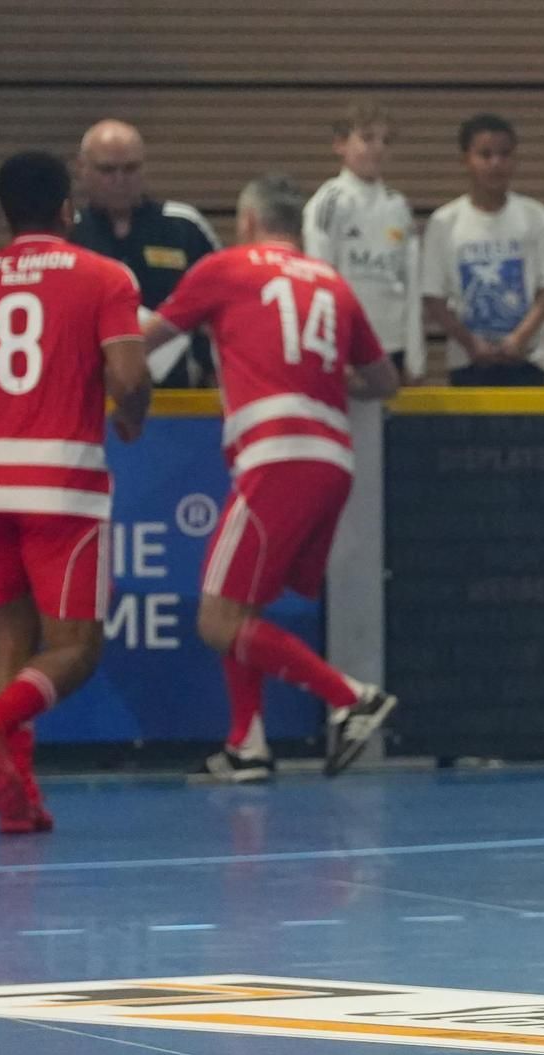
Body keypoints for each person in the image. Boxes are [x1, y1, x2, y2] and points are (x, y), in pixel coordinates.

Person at [143, 174, 401, 781]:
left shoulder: (225, 268)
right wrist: (326, 379)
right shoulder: (333, 283)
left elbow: (147, 341)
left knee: (216, 618)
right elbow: (386, 382)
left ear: (250, 222)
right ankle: (247, 745)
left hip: (275, 454)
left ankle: (351, 697)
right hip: (331, 458)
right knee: (244, 606)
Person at [0, 151, 151, 832]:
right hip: (62, 481)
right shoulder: (102, 276)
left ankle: (18, 799)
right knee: (77, 645)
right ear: (68, 209)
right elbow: (131, 375)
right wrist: (130, 415)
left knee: (11, 635)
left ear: (2, 213)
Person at [421, 114, 544, 386]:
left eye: (504, 154)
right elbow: (433, 296)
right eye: (485, 155)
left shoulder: (536, 217)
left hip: (528, 361)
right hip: (468, 361)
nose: (495, 164)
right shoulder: (444, 222)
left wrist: (519, 339)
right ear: (465, 160)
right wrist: (470, 342)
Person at [71, 119, 219, 388]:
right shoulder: (68, 234)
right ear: (82, 170)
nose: (119, 180)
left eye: (130, 169)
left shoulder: (185, 226)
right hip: (91, 397)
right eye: (107, 170)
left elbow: (221, 308)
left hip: (182, 401)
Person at [304, 100, 424, 378]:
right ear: (340, 145)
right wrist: (330, 350)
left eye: (385, 141)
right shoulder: (329, 202)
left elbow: (412, 286)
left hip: (392, 347)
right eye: (367, 138)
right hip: (347, 348)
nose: (378, 148)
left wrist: (415, 359)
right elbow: (318, 283)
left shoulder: (399, 206)